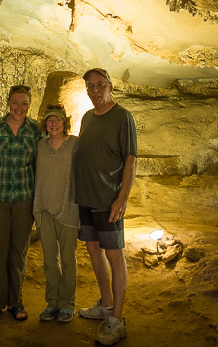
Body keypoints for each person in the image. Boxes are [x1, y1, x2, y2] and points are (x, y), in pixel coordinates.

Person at [75, 68, 137, 346]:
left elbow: (130, 159)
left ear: (110, 87)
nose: (95, 90)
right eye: (90, 86)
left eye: (100, 84)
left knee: (114, 254)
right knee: (92, 248)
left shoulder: (122, 116)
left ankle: (118, 320)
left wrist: (122, 197)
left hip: (108, 199)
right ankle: (106, 304)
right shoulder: (87, 118)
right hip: (86, 198)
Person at [0, 84, 41, 322]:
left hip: (24, 198)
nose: (20, 108)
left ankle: (16, 302)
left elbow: (40, 164)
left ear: (29, 105)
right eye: (16, 102)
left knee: (19, 251)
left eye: (25, 103)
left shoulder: (35, 130)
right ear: (8, 102)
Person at [33, 104, 79, 323]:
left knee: (68, 258)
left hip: (68, 208)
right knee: (50, 259)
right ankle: (52, 302)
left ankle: (67, 304)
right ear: (45, 124)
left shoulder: (75, 144)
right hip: (43, 208)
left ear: (65, 123)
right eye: (50, 120)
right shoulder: (40, 146)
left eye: (58, 120)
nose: (53, 124)